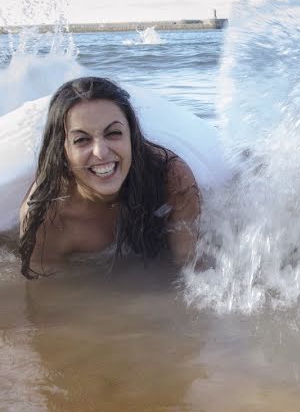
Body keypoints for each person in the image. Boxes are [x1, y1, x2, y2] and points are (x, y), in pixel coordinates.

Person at [19, 77, 200, 279]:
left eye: (113, 133)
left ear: (132, 136)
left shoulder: (171, 179)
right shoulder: (47, 218)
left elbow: (189, 269)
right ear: (62, 151)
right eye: (82, 140)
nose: (101, 152)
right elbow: (46, 295)